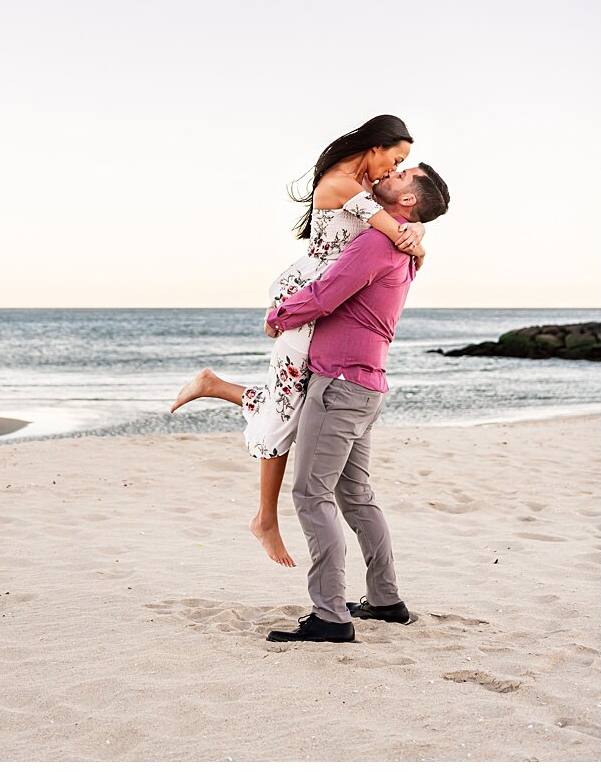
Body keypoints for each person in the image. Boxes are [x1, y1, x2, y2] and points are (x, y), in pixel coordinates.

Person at [171, 115, 426, 568]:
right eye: (396, 157)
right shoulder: (343, 183)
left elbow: (399, 223)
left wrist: (418, 228)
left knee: (293, 403)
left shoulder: (362, 183)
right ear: (376, 144)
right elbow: (394, 231)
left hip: (313, 300)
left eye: (402, 165)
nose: (394, 167)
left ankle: (213, 386)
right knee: (286, 410)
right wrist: (418, 238)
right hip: (305, 300)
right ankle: (265, 518)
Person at [262, 162, 451, 643]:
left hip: (341, 382)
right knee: (355, 495)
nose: (395, 171)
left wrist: (279, 315)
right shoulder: (405, 246)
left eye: (405, 174)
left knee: (310, 494)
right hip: (366, 384)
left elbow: (326, 295)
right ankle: (386, 600)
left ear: (407, 199)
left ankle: (330, 616)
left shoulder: (378, 242)